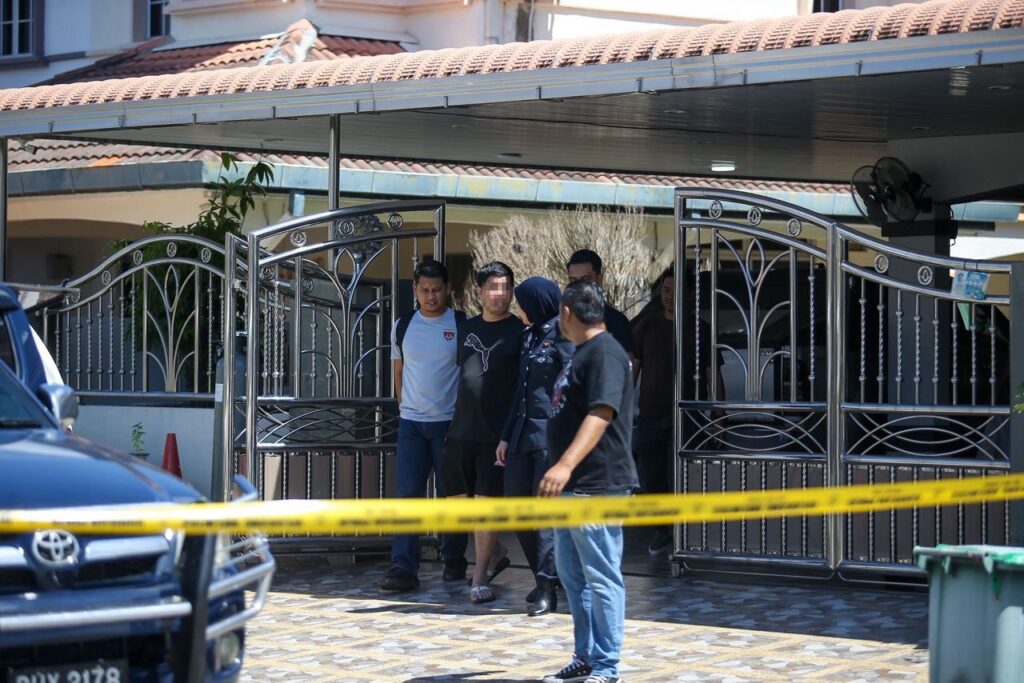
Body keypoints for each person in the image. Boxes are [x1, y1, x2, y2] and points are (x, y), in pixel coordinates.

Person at [539, 279, 639, 683]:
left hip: (597, 485)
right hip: (574, 488)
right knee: (573, 576)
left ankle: (607, 666)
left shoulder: (605, 353)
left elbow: (602, 412)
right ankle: (586, 655)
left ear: (567, 312)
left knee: (601, 577)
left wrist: (564, 464)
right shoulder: (582, 352)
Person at [378, 259, 468, 592]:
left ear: (448, 289)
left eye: (437, 290)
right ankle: (403, 567)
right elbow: (398, 370)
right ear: (415, 290)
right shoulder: (402, 325)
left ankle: (454, 560)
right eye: (424, 290)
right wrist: (404, 406)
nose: (431, 296)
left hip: (449, 425)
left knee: (451, 496)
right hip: (412, 425)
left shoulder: (461, 324)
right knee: (408, 496)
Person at [442, 261, 524, 604]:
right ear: (479, 291)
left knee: (486, 507)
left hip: (495, 436)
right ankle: (496, 549)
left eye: (505, 288)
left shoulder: (519, 331)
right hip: (460, 429)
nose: (500, 294)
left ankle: (479, 577)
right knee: (456, 504)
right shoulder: (466, 328)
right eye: (493, 287)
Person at [496, 276, 573, 617]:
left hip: (549, 437)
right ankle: (544, 575)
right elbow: (520, 392)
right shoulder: (529, 336)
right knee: (517, 507)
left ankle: (547, 587)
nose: (518, 309)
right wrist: (505, 435)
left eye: (523, 303)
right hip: (521, 434)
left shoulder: (564, 334)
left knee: (544, 516)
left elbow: (570, 386)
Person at [631, 267, 675, 556]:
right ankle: (662, 529)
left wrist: (716, 416)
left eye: (675, 290)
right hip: (649, 413)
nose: (669, 296)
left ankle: (684, 534)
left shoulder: (698, 327)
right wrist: (622, 407)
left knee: (682, 475)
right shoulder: (647, 326)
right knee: (649, 473)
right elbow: (634, 367)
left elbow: (712, 371)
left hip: (685, 415)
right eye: (665, 290)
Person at [565, 249, 634, 360]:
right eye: (573, 280)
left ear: (599, 280)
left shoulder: (616, 322)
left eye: (585, 279)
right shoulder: (561, 321)